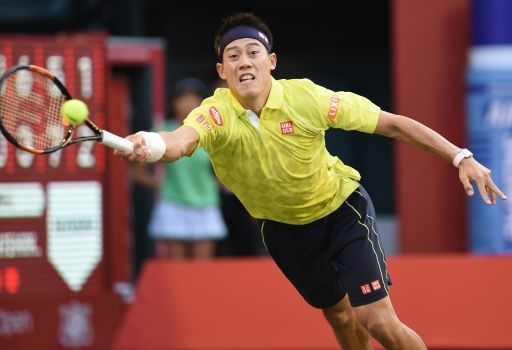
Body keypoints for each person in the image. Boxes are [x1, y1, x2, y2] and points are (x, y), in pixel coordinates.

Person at [116, 12, 506, 349]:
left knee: (378, 321)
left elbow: (392, 125)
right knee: (338, 316)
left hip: (340, 210)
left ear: (271, 61)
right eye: (232, 56)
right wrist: (149, 144)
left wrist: (460, 155)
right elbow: (180, 143)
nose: (243, 61)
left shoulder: (307, 98)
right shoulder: (215, 113)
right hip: (284, 230)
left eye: (253, 52)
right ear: (222, 71)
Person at [133, 78, 227, 260]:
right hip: (173, 205)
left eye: (193, 99)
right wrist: (161, 185)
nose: (187, 104)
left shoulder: (212, 133)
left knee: (202, 271)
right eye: (182, 99)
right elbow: (138, 172)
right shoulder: (162, 130)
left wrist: (216, 184)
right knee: (177, 269)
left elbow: (226, 167)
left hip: (206, 205)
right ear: (173, 103)